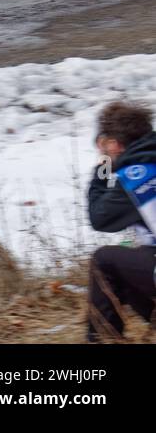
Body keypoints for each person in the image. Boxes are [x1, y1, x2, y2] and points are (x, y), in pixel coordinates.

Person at [86, 100, 156, 342]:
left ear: (113, 144)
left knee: (104, 261)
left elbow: (100, 218)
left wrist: (102, 170)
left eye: (104, 147)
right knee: (128, 265)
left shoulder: (137, 176)